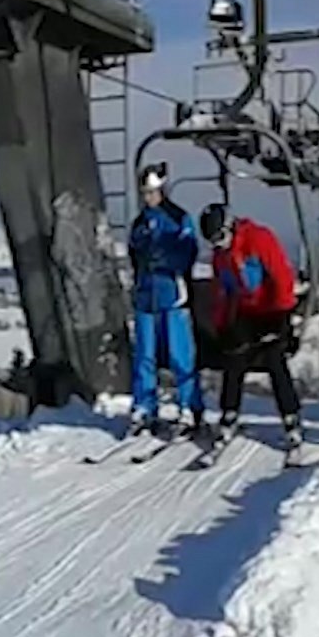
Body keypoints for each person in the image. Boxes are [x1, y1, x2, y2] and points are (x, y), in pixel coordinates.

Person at [200, 203, 302, 448]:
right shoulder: (220, 256)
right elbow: (223, 292)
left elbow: (281, 275)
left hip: (271, 309)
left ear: (230, 227)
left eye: (220, 238)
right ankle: (229, 414)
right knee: (234, 359)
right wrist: (222, 325)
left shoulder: (258, 239)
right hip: (246, 312)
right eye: (213, 242)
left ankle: (290, 417)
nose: (219, 245)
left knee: (274, 360)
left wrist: (282, 317)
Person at [127, 166, 205, 435]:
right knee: (144, 355)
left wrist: (165, 261)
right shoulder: (139, 224)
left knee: (179, 354)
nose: (148, 198)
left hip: (172, 294)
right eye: (144, 193)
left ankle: (189, 405)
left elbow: (188, 252)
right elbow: (134, 255)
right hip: (146, 296)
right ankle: (144, 406)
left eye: (152, 192)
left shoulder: (178, 219)